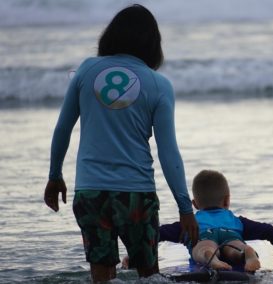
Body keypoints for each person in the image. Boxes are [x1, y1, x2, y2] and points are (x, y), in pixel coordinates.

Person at [43, 4, 198, 283]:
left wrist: (55, 176)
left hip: (91, 192)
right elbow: (168, 151)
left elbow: (63, 128)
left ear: (110, 36)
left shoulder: (87, 70)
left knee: (102, 277)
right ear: (153, 44)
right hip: (136, 195)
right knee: (148, 275)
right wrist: (185, 207)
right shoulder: (159, 85)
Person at [123, 170, 273, 271]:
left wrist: (134, 256)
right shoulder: (235, 220)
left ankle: (210, 257)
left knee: (202, 248)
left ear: (194, 204)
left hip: (202, 235)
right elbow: (267, 230)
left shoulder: (190, 222)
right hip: (230, 233)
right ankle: (245, 253)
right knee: (234, 246)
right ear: (227, 200)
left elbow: (157, 233)